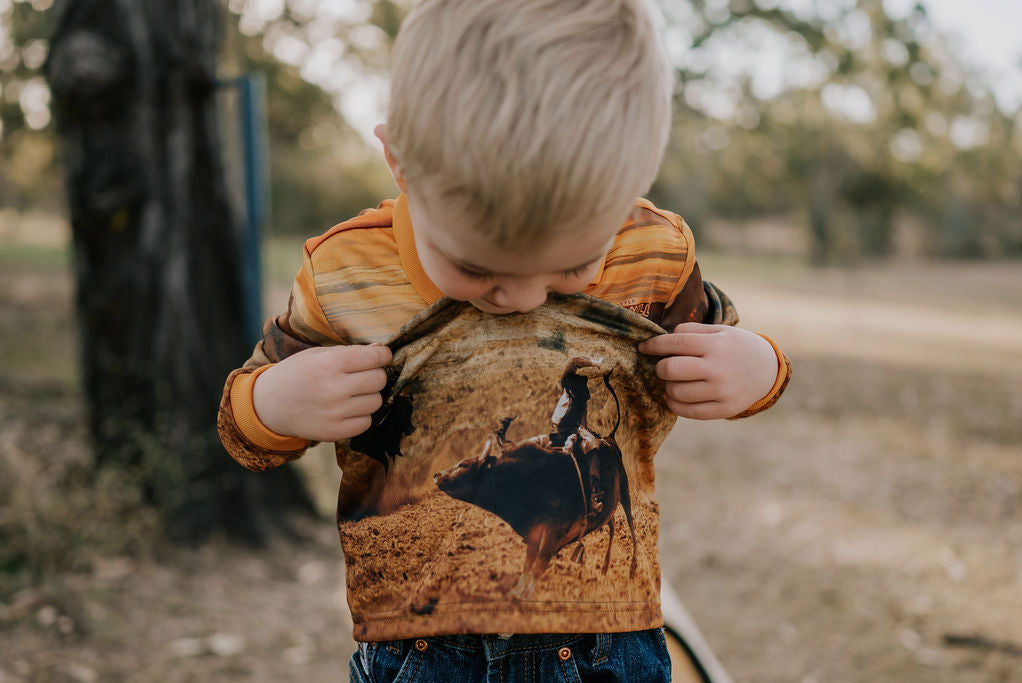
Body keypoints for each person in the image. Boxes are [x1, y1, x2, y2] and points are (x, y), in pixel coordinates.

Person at [217, 0, 791, 680]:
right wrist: (274, 404)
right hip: (423, 652)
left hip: (606, 647)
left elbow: (720, 337)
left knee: (567, 440)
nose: (520, 298)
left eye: (575, 269)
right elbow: (241, 421)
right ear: (400, 165)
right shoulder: (346, 273)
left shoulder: (652, 252)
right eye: (476, 268)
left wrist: (757, 367)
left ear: (631, 188)